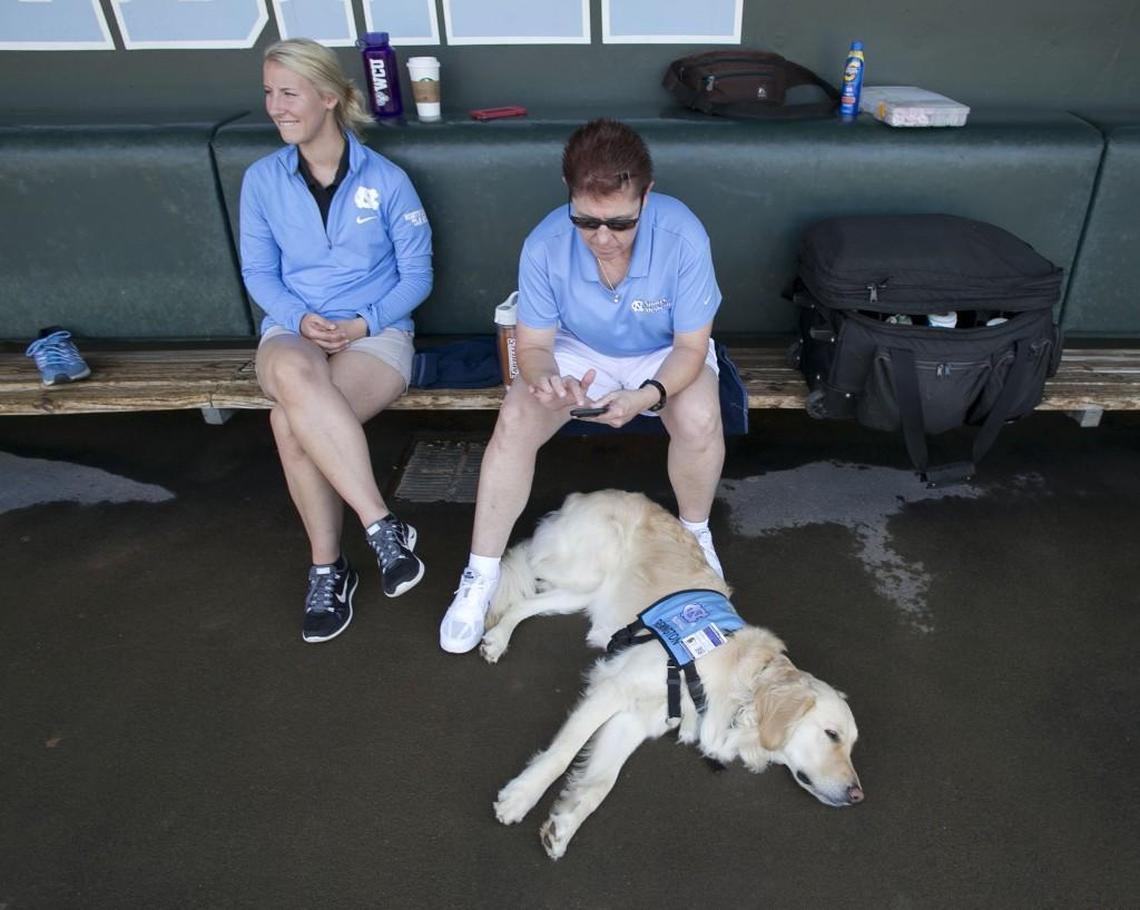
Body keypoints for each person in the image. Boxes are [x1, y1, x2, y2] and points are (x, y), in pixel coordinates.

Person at [439, 118, 725, 654]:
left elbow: (690, 348)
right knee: (518, 415)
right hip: (579, 349)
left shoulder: (683, 234)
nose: (602, 238)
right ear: (569, 198)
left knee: (700, 417)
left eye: (620, 223)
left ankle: (696, 534)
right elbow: (534, 348)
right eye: (586, 221)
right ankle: (481, 574)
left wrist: (647, 396)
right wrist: (546, 381)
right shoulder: (545, 243)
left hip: (663, 349)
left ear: (647, 195)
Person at [240, 38, 432, 643]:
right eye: (269, 92)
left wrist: (363, 322)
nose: (276, 106)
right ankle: (381, 526)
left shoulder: (389, 180)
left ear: (328, 97)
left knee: (289, 425)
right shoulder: (262, 180)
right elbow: (258, 273)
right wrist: (298, 319)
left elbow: (418, 276)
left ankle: (329, 568)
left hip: (374, 333)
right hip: (291, 332)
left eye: (288, 93)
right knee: (296, 384)